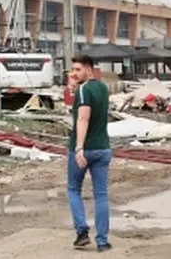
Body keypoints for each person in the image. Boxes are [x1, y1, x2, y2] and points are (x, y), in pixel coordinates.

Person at [67, 54, 112, 252]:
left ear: (88, 68)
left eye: (78, 70)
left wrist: (79, 148)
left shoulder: (84, 90)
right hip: (103, 148)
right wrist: (74, 89)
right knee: (101, 195)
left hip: (85, 149)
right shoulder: (102, 88)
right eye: (73, 70)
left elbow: (83, 119)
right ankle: (102, 242)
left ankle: (82, 232)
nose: (74, 74)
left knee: (73, 189)